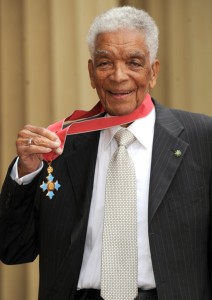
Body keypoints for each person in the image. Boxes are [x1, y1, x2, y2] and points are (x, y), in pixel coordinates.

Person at [0, 6, 211, 300]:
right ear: (91, 73)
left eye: (134, 63)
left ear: (153, 72)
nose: (118, 76)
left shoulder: (203, 138)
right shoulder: (60, 146)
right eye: (105, 63)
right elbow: (13, 249)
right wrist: (26, 173)